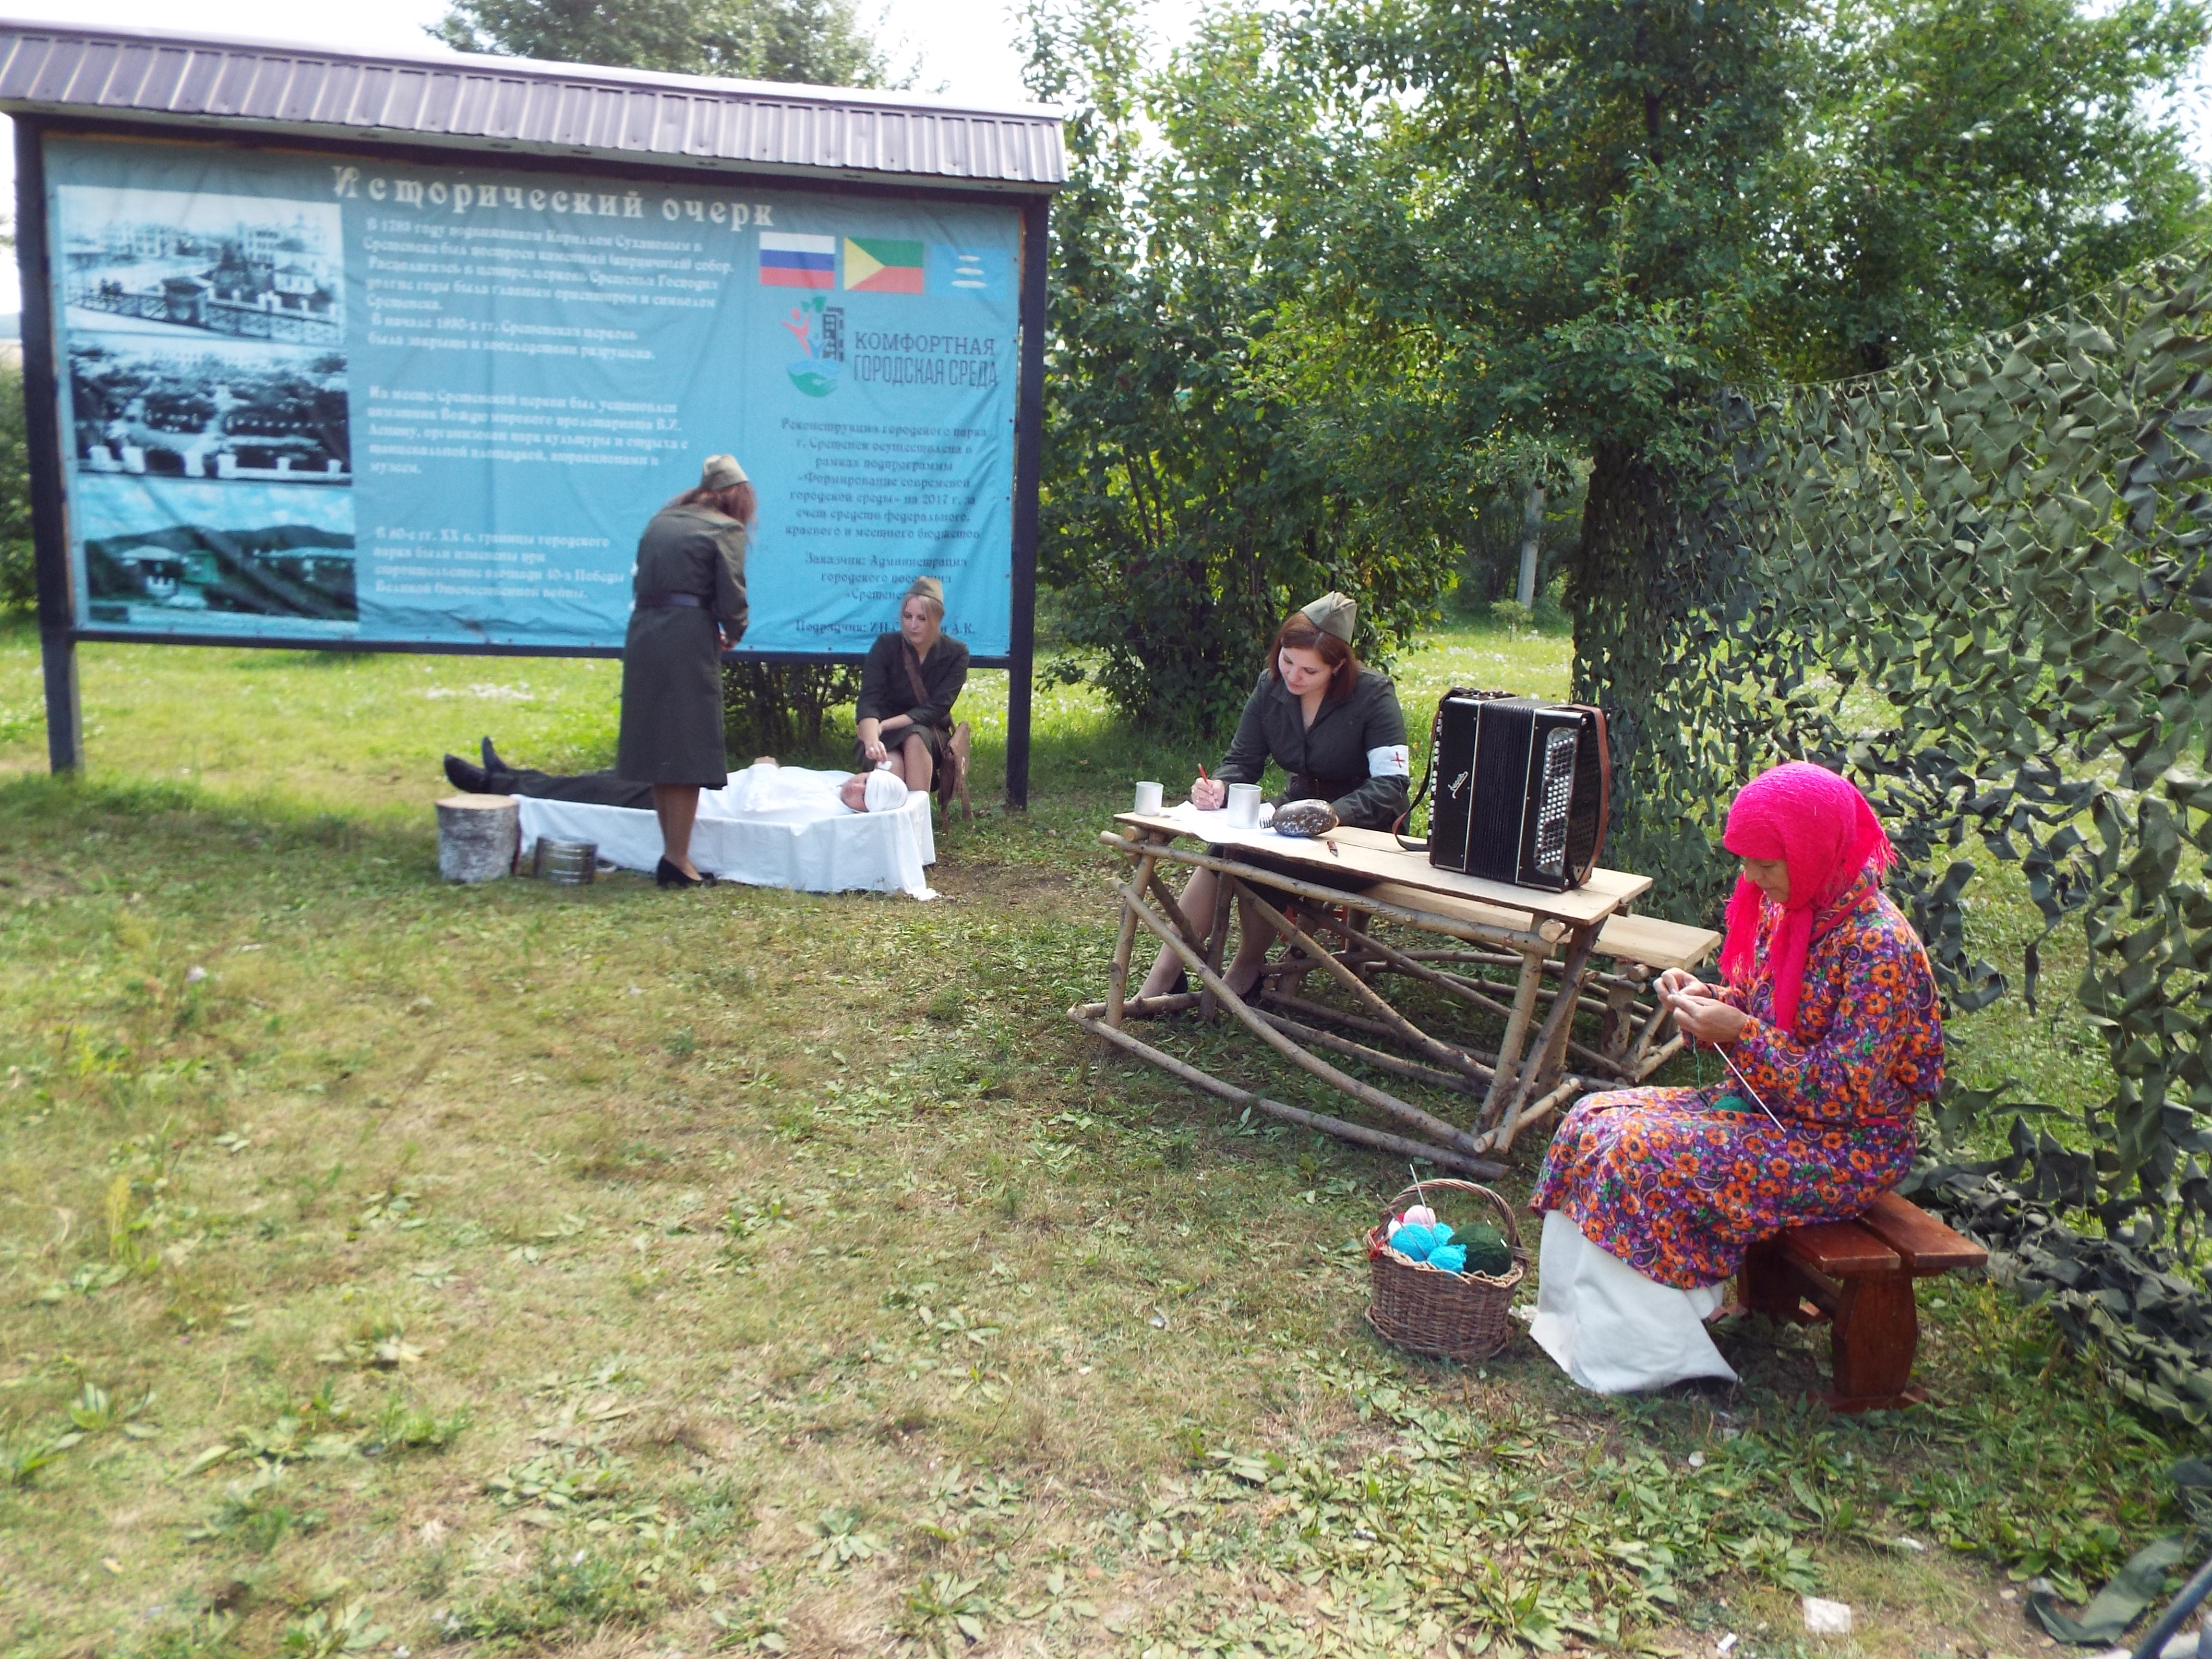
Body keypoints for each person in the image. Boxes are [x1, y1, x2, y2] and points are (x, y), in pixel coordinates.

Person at [1527, 761, 1945, 1395]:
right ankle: (1578, 1326)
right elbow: (1761, 1007)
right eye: (1744, 860)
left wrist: (1738, 1033)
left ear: (1814, 850)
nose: (1750, 877)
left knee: (1641, 1155)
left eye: (1766, 863)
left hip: (1848, 1147)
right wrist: (1706, 1001)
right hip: (1772, 1110)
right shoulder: (1796, 907)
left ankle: (1639, 1355)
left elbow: (1843, 1090)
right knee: (1594, 1118)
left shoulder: (1877, 947)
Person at [1135, 592, 1411, 1002]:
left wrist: (1332, 814)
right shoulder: (1272, 686)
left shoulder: (1373, 694)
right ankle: (1166, 973)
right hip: (1292, 815)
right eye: (1287, 660)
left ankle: (1246, 968)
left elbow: (1391, 787)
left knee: (1257, 858)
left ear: (1337, 666)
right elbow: (1243, 759)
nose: (1294, 676)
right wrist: (1221, 788)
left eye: (1309, 670)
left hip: (1363, 830)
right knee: (1224, 851)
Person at [619, 455, 752, 889]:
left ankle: (671, 855)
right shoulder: (725, 528)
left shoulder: (662, 520)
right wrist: (734, 631)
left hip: (645, 636)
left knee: (661, 747)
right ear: (736, 496)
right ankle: (678, 861)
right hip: (686, 641)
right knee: (687, 749)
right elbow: (730, 593)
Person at [442, 741, 910, 816]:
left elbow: (759, 808)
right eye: (861, 780)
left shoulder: (826, 811)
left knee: (593, 793)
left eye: (862, 795)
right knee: (606, 777)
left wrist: (763, 771)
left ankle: (491, 785)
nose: (854, 787)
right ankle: (513, 776)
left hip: (697, 807)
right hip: (707, 783)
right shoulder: (832, 784)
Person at [855, 576, 971, 810]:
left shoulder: (956, 653)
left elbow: (936, 708)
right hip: (883, 736)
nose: (913, 625)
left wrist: (884, 726)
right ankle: (890, 825)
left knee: (915, 737)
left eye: (922, 618)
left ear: (936, 619)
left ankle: (918, 820)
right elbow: (869, 698)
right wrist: (871, 737)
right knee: (890, 765)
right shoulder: (886, 645)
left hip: (928, 732)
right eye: (908, 617)